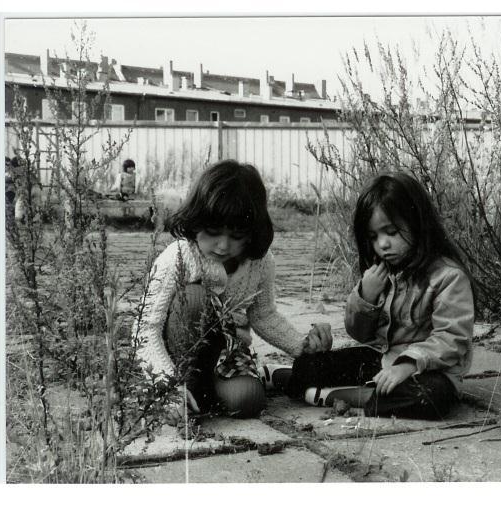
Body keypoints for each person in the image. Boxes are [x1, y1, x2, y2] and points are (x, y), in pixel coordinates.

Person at [262, 172, 475, 420]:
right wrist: (366, 296)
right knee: (309, 365)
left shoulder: (448, 277)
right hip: (381, 361)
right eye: (374, 237)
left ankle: (340, 396)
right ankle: (289, 377)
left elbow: (452, 339)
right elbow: (358, 333)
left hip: (430, 372)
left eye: (391, 232)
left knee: (428, 398)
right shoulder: (382, 272)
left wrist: (407, 366)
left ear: (418, 222)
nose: (382, 244)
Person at [131, 159, 332, 420]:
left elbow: (263, 314)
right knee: (194, 298)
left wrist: (301, 346)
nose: (223, 246)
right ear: (196, 220)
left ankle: (202, 395)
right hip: (178, 354)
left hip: (227, 354)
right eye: (213, 232)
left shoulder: (259, 262)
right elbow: (145, 329)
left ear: (252, 232)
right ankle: (182, 391)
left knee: (248, 401)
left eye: (236, 236)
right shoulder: (179, 256)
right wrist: (166, 384)